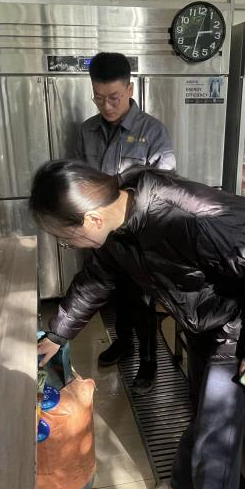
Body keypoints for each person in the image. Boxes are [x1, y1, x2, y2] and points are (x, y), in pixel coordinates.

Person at [33, 161, 245, 489]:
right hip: (204, 325)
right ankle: (187, 481)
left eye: (67, 239)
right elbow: (97, 279)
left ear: (92, 218)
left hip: (243, 337)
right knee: (203, 412)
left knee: (219, 433)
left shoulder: (191, 220)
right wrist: (57, 333)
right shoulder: (119, 225)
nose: (71, 246)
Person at [74, 52, 174, 395]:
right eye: (99, 97)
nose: (107, 105)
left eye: (114, 97)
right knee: (114, 293)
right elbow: (83, 178)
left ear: (130, 89)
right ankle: (124, 342)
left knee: (141, 299)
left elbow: (165, 188)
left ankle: (149, 360)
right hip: (102, 234)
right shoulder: (87, 130)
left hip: (139, 235)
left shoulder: (153, 132)